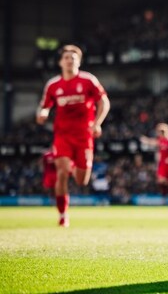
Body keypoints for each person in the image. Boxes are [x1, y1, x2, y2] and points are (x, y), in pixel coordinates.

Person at [36, 44, 110, 227]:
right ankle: (63, 215)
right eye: (66, 58)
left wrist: (97, 123)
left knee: (81, 180)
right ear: (61, 62)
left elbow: (104, 102)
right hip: (62, 135)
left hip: (84, 136)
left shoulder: (88, 81)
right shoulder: (53, 85)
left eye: (73, 58)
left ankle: (71, 166)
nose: (70, 60)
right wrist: (43, 113)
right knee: (61, 173)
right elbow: (44, 105)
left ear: (79, 62)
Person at [141, 122, 168, 204]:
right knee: (161, 181)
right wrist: (146, 141)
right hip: (163, 164)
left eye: (159, 132)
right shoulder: (161, 140)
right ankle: (164, 197)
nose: (158, 133)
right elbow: (155, 142)